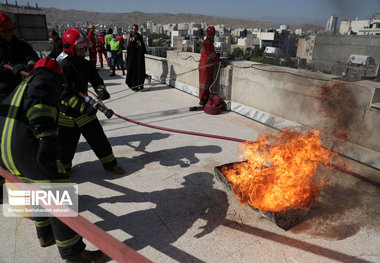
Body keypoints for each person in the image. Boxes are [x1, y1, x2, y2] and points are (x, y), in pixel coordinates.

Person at [0, 57, 106, 262]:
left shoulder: (22, 85)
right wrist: (47, 139)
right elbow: (39, 104)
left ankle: (45, 234)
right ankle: (73, 254)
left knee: (35, 189)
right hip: (23, 148)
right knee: (58, 193)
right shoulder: (46, 78)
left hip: (5, 152)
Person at [57, 28, 124, 175]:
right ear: (70, 48)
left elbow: (96, 80)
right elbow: (63, 95)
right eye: (79, 48)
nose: (83, 50)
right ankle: (64, 168)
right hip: (67, 114)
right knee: (66, 145)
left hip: (85, 110)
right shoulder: (62, 66)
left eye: (84, 47)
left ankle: (110, 164)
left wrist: (101, 90)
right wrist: (82, 106)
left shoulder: (86, 64)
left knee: (99, 139)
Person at [0, 11, 39, 101]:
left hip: (21, 90)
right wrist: (4, 68)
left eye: (10, 30)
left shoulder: (21, 46)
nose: (8, 33)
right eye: (4, 31)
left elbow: (33, 58)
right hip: (3, 93)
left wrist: (28, 66)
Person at [198, 26, 221, 106]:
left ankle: (205, 98)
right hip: (205, 67)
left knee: (207, 84)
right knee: (204, 84)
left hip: (207, 67)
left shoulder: (209, 42)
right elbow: (212, 55)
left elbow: (211, 53)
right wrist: (220, 60)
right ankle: (202, 100)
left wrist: (216, 56)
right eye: (211, 35)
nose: (212, 36)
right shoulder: (207, 43)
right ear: (208, 34)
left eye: (213, 35)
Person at [125, 24, 149, 91]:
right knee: (131, 71)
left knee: (139, 71)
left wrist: (139, 43)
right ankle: (133, 86)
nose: (134, 30)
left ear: (137, 29)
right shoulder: (131, 35)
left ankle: (139, 85)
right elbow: (128, 44)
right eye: (133, 29)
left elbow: (142, 46)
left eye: (135, 29)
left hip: (138, 58)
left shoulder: (139, 36)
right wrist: (129, 37)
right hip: (132, 57)